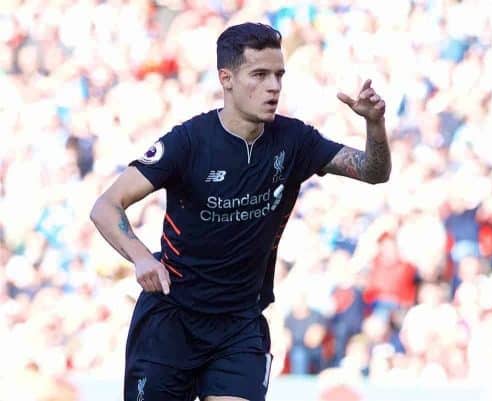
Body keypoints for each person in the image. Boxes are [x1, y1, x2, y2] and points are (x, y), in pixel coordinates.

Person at [90, 22, 391, 401]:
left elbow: (373, 172)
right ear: (227, 79)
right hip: (172, 319)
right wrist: (140, 258)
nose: (274, 87)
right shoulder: (188, 142)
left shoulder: (295, 140)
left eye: (279, 75)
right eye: (260, 75)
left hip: (239, 325)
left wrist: (375, 124)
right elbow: (105, 206)